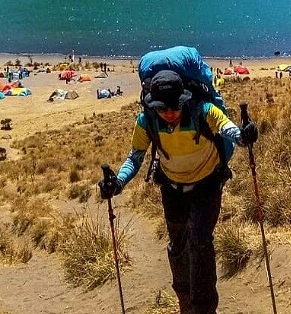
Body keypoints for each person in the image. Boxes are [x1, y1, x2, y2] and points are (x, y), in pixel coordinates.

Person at [98, 70, 258, 314]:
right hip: (172, 189)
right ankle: (184, 299)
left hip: (207, 185)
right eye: (163, 109)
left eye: (174, 107)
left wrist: (242, 135)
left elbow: (227, 127)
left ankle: (204, 308)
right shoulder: (147, 121)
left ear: (184, 100)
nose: (169, 113)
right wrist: (118, 183)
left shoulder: (202, 111)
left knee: (200, 241)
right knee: (178, 243)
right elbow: (135, 157)